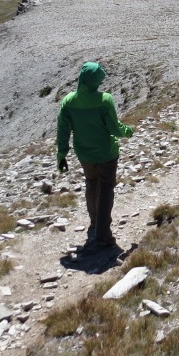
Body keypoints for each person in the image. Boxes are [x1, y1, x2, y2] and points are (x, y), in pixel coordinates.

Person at [56, 61, 133, 252]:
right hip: (107, 153)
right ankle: (103, 234)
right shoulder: (105, 100)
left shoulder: (68, 101)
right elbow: (114, 128)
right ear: (97, 81)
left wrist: (61, 154)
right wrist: (128, 131)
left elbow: (63, 130)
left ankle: (94, 222)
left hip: (84, 153)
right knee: (106, 188)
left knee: (91, 183)